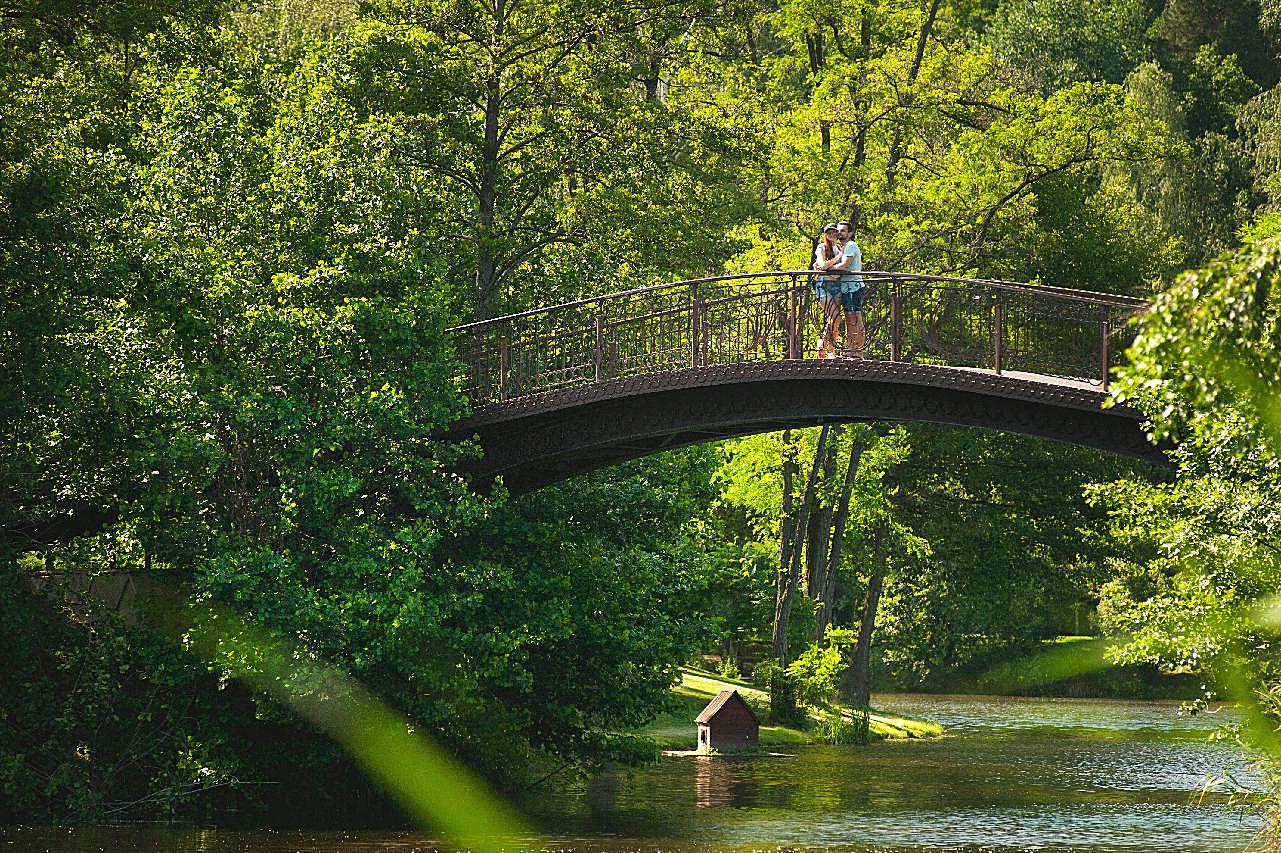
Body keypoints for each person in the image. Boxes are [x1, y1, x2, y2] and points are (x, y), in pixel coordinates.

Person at [832, 220, 866, 358]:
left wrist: (828, 268)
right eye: (838, 230)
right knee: (849, 318)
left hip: (853, 287)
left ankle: (857, 351)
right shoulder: (843, 247)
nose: (840, 233)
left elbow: (845, 265)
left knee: (855, 318)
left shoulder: (851, 245)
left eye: (843, 230)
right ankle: (851, 349)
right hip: (847, 287)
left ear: (850, 233)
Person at [812, 223, 844, 359]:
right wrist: (836, 259)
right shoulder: (821, 247)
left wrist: (827, 268)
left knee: (834, 319)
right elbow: (822, 264)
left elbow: (841, 268)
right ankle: (829, 348)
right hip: (824, 285)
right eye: (829, 232)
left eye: (834, 232)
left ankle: (828, 347)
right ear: (825, 234)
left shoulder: (839, 247)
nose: (832, 235)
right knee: (836, 317)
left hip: (837, 286)